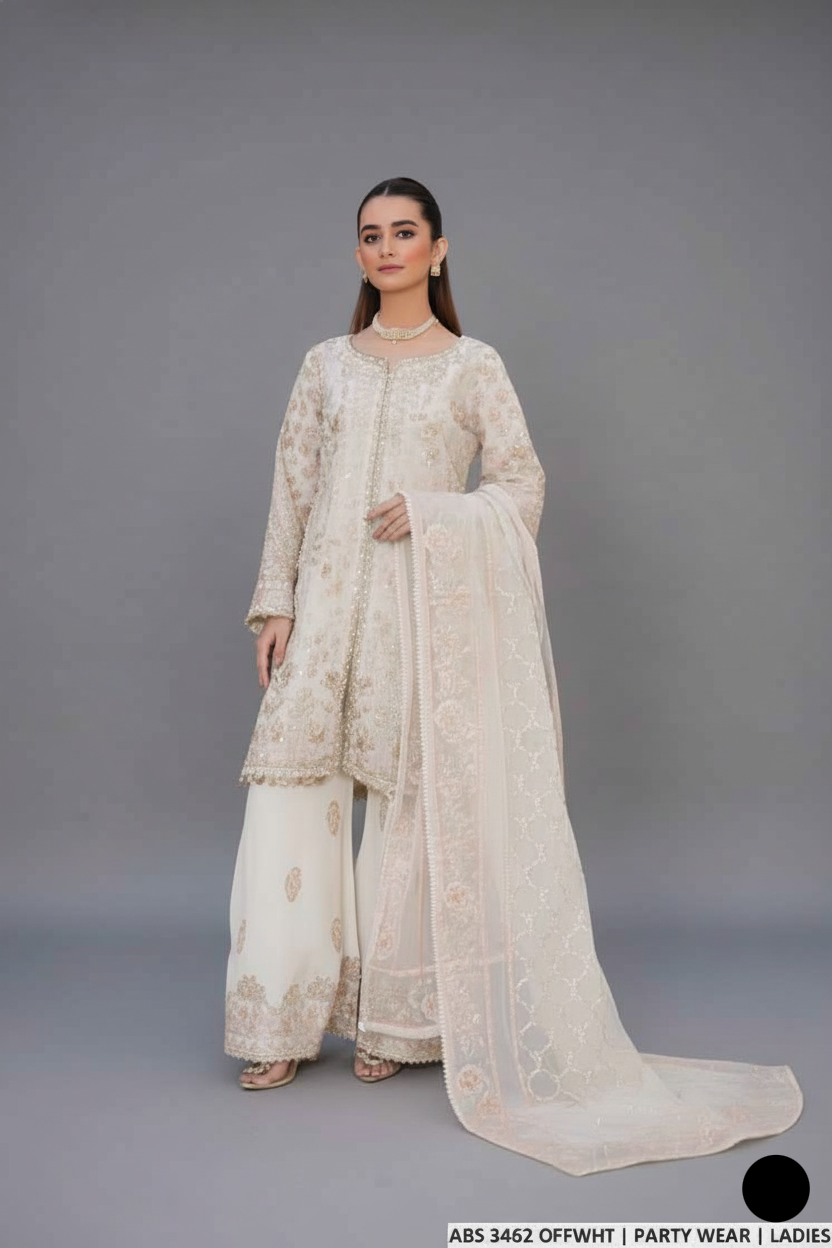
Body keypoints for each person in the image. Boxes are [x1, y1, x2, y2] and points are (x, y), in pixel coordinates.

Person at [224, 176, 803, 1174]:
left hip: (418, 615)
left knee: (406, 809)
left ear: (439, 249)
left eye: (405, 232)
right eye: (371, 235)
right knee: (291, 797)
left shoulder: (473, 365)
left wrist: (437, 513)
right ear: (358, 254)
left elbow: (521, 483)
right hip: (324, 607)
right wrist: (274, 601)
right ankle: (275, 1024)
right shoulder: (324, 365)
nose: (387, 248)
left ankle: (394, 1024)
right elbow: (293, 484)